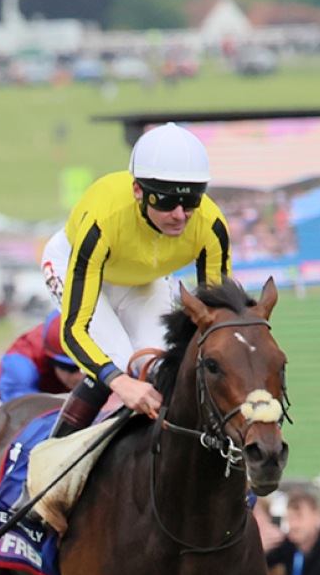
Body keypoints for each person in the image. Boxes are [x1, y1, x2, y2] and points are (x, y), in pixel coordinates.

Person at [40, 122, 231, 439]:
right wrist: (118, 380)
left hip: (143, 279)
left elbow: (218, 318)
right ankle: (49, 468)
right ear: (138, 191)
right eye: (166, 201)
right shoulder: (105, 218)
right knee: (118, 360)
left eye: (192, 201)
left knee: (157, 365)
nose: (180, 215)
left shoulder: (211, 226)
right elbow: (75, 330)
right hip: (79, 266)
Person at [0, 313, 83, 406]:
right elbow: (24, 415)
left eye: (86, 367)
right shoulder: (22, 365)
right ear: (51, 360)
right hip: (8, 402)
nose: (81, 376)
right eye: (72, 368)